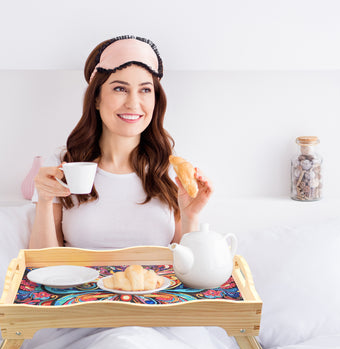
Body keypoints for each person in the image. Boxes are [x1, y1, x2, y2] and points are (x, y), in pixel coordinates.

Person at [29, 35, 213, 250]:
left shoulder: (171, 171)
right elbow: (42, 263)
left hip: (156, 274)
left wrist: (190, 217)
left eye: (145, 90)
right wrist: (44, 200)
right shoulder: (63, 165)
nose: (133, 103)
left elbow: (187, 265)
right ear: (96, 98)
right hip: (77, 274)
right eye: (120, 88)